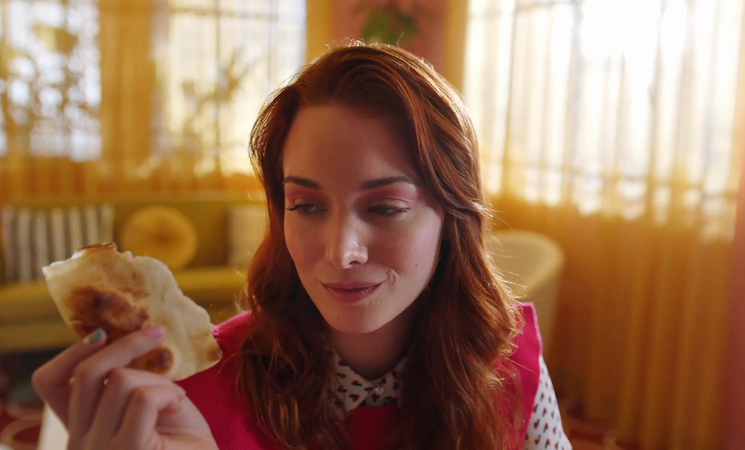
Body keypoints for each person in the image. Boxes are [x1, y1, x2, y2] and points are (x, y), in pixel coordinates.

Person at [31, 43, 571, 450]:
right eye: (307, 206)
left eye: (385, 207)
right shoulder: (191, 388)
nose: (341, 253)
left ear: (452, 215)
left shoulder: (506, 361)